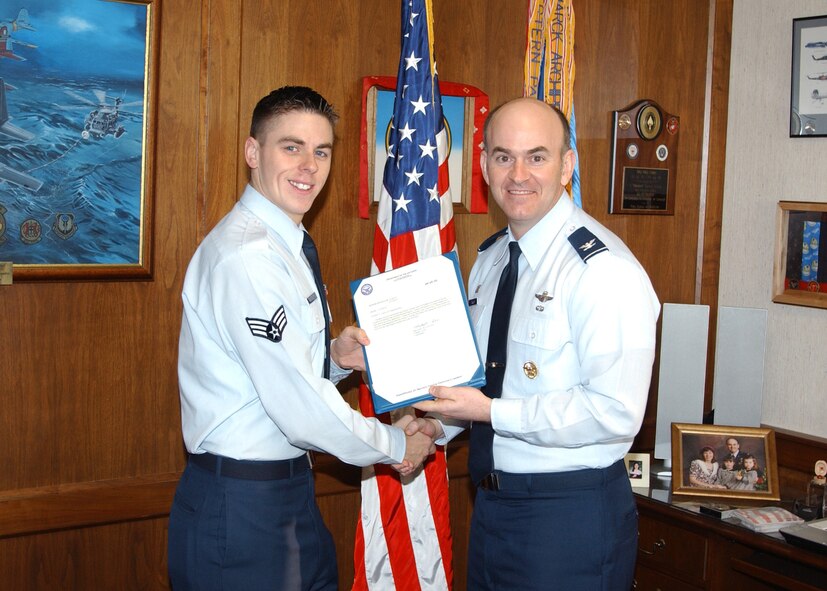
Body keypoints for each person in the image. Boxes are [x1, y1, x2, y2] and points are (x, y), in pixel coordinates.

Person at [167, 86, 434, 590]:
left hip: (289, 492)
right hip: (243, 505)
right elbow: (300, 408)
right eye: (291, 147)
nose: (308, 166)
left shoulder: (287, 242)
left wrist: (333, 360)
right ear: (253, 152)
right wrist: (396, 443)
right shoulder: (248, 257)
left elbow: (275, 370)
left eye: (322, 151)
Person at [406, 97, 660, 590]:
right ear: (482, 165)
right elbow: (485, 381)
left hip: (569, 517)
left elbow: (614, 411)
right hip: (493, 508)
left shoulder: (602, 270)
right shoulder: (493, 259)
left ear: (567, 166)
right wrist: (437, 427)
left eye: (537, 157)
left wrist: (492, 414)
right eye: (503, 156)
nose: (518, 174)